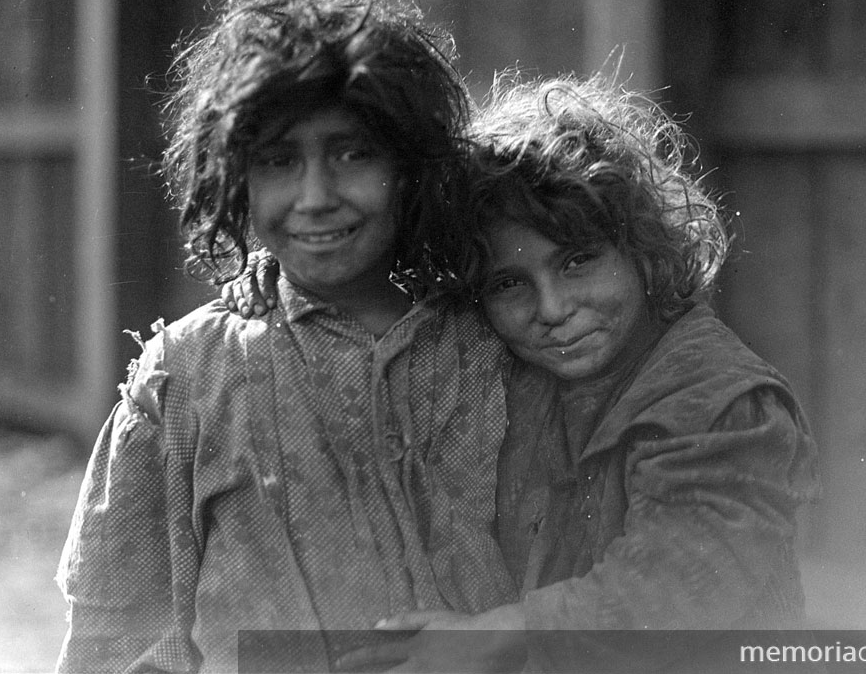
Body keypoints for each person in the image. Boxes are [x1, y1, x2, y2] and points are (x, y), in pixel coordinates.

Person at [229, 73, 820, 672]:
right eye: (509, 284)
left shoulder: (720, 397)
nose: (553, 310)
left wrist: (499, 633)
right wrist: (285, 272)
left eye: (578, 262)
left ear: (644, 246)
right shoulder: (509, 369)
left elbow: (674, 584)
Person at [55, 0, 517, 674]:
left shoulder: (492, 345)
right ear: (234, 178)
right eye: (278, 161)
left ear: (413, 165)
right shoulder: (185, 380)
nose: (316, 197)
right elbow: (114, 643)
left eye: (352, 153)